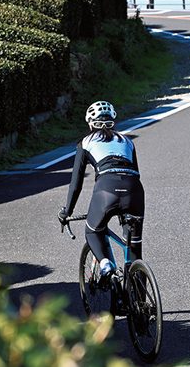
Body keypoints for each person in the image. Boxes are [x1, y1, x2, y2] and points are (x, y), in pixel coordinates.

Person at [58, 100, 145, 282]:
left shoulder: (86, 142)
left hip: (106, 190)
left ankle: (105, 263)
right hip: (134, 191)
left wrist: (67, 212)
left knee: (92, 231)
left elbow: (76, 184)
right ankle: (141, 306)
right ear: (113, 120)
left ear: (90, 122)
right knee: (134, 248)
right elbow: (135, 172)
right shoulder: (127, 141)